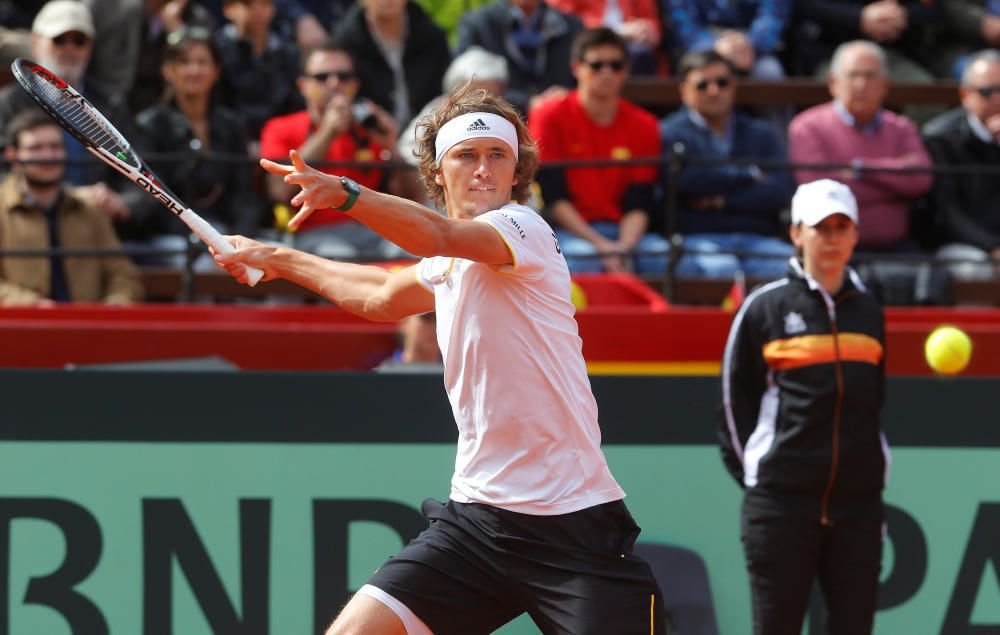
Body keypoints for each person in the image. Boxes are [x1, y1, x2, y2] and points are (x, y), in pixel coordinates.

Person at [215, 82, 665, 634]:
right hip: (476, 523)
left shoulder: (521, 228)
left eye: (498, 155)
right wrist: (276, 258)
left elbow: (436, 232)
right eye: (467, 156)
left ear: (517, 169)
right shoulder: (449, 264)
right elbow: (378, 296)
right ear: (438, 171)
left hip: (573, 527)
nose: (484, 170)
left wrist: (348, 195)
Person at [720, 178, 887, 635]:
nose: (831, 238)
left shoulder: (870, 311)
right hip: (781, 509)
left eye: (841, 227)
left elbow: (874, 404)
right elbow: (734, 410)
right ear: (796, 234)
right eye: (820, 228)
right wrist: (765, 477)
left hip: (858, 511)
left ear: (855, 234)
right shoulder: (763, 309)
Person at [259, 42, 423, 260]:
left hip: (375, 231)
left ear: (355, 84)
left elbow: (415, 197)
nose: (335, 84)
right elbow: (279, 191)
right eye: (322, 77)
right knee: (343, 257)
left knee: (415, 254)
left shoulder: (370, 128)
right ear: (303, 86)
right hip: (314, 234)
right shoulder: (280, 128)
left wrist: (392, 146)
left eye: (343, 77)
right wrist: (327, 133)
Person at [529, 27, 670, 274]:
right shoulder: (549, 114)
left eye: (615, 65)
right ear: (576, 68)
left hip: (627, 234)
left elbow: (639, 199)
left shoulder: (645, 124)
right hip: (566, 231)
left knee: (672, 260)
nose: (606, 72)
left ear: (626, 70)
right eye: (596, 65)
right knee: (581, 261)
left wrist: (623, 247)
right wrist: (602, 246)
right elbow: (553, 197)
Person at [124, 30, 264, 265]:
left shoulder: (231, 125)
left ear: (216, 71)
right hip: (170, 237)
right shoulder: (149, 125)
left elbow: (244, 194)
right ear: (168, 71)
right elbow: (153, 197)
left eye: (202, 62)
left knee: (275, 258)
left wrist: (240, 238)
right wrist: (208, 240)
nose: (194, 70)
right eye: (184, 62)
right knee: (203, 265)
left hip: (225, 232)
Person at [660, 50, 794, 279]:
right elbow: (687, 183)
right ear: (684, 91)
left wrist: (720, 199)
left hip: (758, 239)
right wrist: (749, 176)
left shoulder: (761, 133)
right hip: (698, 238)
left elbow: (780, 191)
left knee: (795, 268)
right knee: (720, 269)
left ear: (734, 86)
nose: (714, 91)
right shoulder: (669, 132)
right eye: (703, 85)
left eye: (722, 82)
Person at [788, 40, 932, 253]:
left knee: (936, 275)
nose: (861, 84)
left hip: (897, 246)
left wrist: (860, 169)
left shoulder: (901, 128)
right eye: (853, 75)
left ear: (885, 84)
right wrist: (894, 185)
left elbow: (921, 179)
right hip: (832, 251)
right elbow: (820, 193)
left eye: (870, 76)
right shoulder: (807, 127)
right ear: (832, 82)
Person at [0, 0, 133, 222]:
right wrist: (58, 195)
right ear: (36, 43)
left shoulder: (111, 103)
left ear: (90, 47)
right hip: (28, 223)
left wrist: (123, 202)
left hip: (101, 225)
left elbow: (140, 166)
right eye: (59, 40)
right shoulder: (8, 103)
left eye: (79, 41)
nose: (69, 49)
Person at [0, 110, 143, 306]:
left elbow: (123, 276)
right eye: (36, 148)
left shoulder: (90, 208)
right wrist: (34, 306)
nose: (48, 155)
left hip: (89, 329)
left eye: (55, 146)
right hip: (21, 330)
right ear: (12, 156)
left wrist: (114, 306)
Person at [922, 50, 1000, 280]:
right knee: (976, 270)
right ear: (965, 94)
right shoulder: (940, 138)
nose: (998, 100)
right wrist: (993, 248)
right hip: (965, 246)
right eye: (987, 92)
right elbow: (947, 212)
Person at [331, 0, 452, 128]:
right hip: (368, 136)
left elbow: (443, 93)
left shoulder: (432, 36)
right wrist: (370, 118)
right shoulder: (344, 45)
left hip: (428, 130)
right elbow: (343, 100)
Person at [456, 0, 583, 116]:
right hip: (496, 121)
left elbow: (585, 76)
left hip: (560, 120)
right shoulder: (477, 25)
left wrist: (569, 96)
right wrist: (528, 102)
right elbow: (466, 84)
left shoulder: (572, 26)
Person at [214, 0, 303, 142]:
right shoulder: (215, 52)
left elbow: (296, 106)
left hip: (282, 144)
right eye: (248, 4)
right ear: (228, 9)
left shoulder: (289, 54)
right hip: (228, 145)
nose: (258, 11)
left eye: (265, 4)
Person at [663, 0, 792, 80]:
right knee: (700, 78)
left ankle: (780, 125)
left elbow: (774, 17)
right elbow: (683, 24)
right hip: (703, 51)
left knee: (769, 72)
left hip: (754, 51)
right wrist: (715, 45)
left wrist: (751, 43)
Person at [548, 0, 664, 74]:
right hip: (585, 44)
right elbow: (562, 19)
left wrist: (646, 31)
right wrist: (616, 30)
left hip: (632, 47)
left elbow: (653, 24)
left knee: (640, 54)